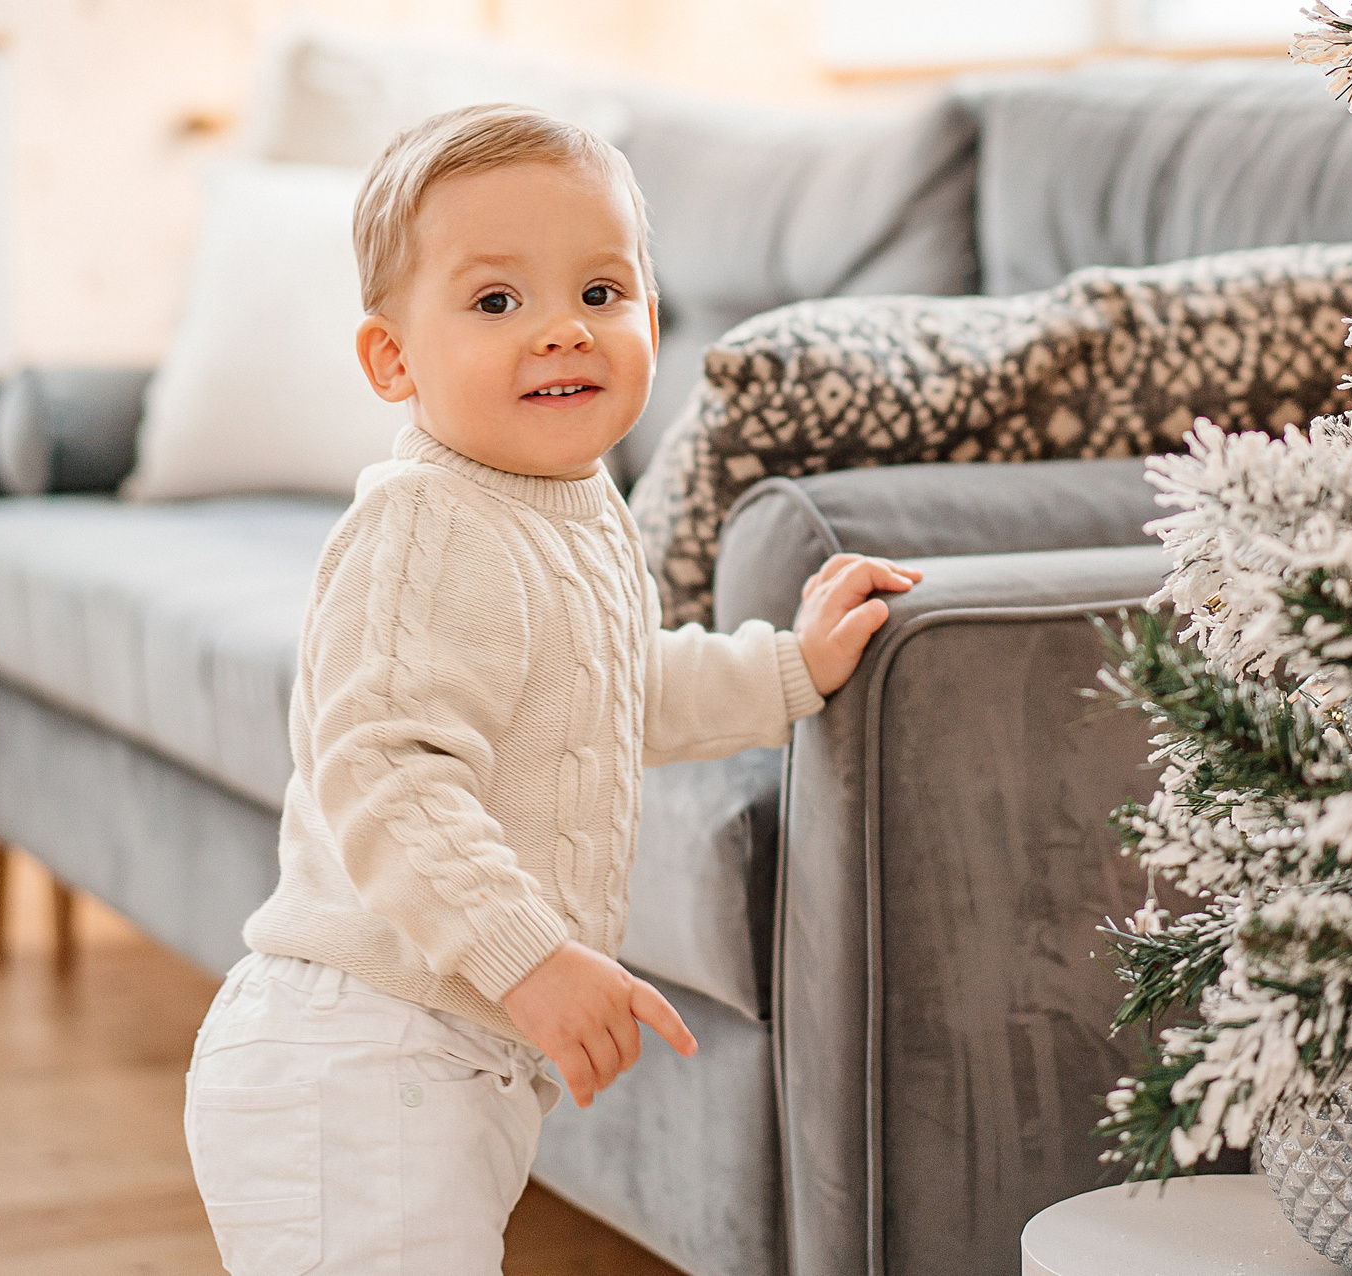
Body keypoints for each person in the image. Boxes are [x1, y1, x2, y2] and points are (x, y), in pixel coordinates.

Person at [183, 103, 918, 1275]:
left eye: (599, 293)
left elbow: (612, 690)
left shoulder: (569, 504)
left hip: (432, 1059)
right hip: (359, 1058)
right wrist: (529, 952)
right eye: (494, 302)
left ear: (651, 316)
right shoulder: (426, 524)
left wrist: (788, 666)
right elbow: (385, 777)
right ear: (392, 358)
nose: (562, 333)